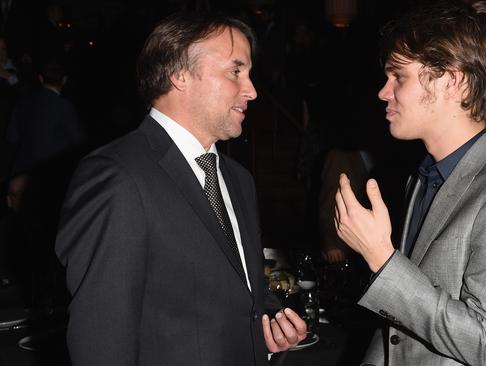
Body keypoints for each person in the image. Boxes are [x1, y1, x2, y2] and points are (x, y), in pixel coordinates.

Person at [55, 12, 306, 366]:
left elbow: (238, 295)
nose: (251, 90)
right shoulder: (119, 177)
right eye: (236, 71)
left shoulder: (238, 180)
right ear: (179, 75)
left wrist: (270, 325)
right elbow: (102, 339)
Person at [334, 1, 486, 365]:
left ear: (452, 81)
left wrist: (381, 257)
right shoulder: (426, 177)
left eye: (399, 77)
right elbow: (398, 330)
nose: (383, 92)